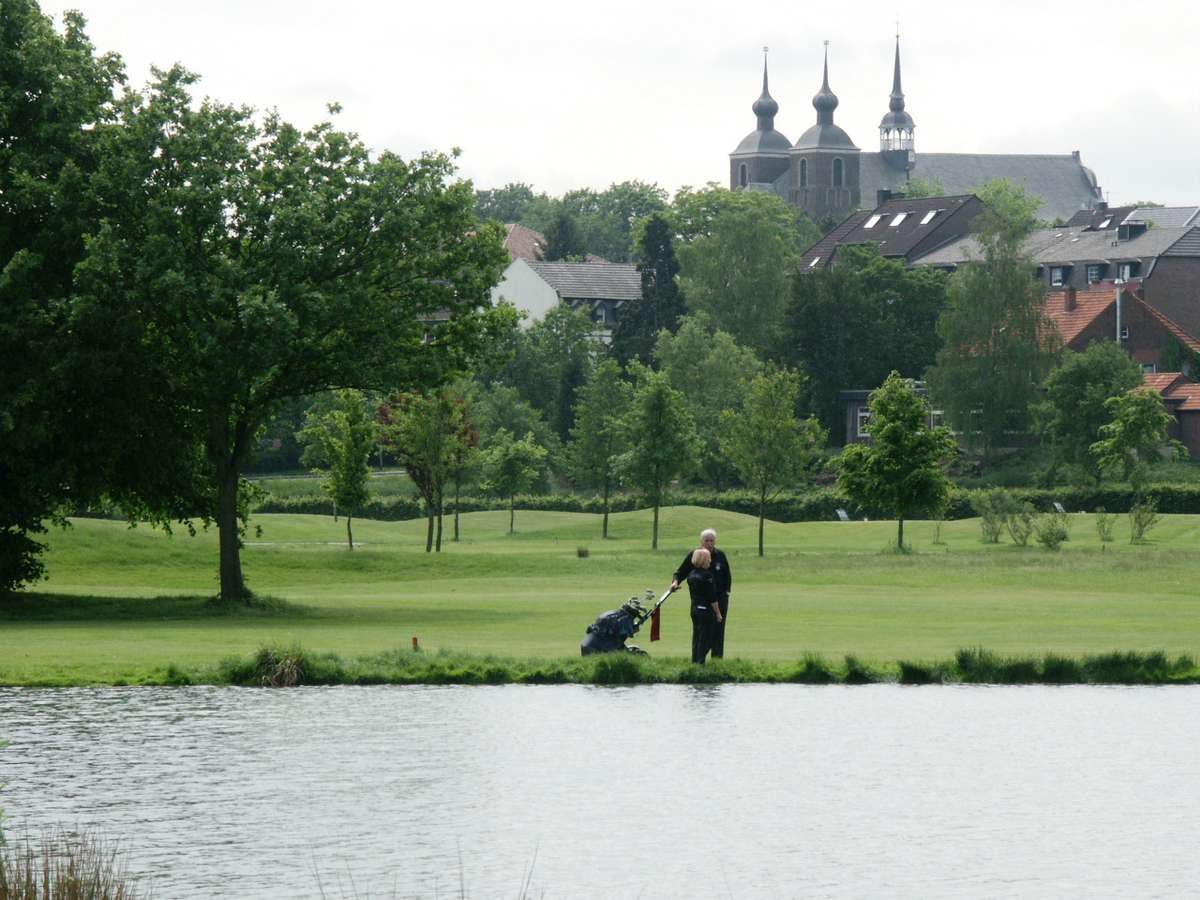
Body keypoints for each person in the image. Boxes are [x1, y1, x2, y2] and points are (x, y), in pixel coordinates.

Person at [671, 528, 732, 657]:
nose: (709, 543)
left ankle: (717, 661)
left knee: (719, 630)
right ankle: (697, 661)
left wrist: (727, 593)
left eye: (712, 540)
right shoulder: (696, 555)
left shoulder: (720, 555)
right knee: (701, 633)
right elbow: (680, 572)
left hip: (720, 599)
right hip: (702, 601)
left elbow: (727, 575)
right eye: (706, 540)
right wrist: (675, 582)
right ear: (701, 541)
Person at [684, 547, 722, 664]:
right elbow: (712, 597)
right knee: (708, 638)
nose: (710, 561)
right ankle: (700, 662)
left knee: (697, 637)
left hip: (695, 609)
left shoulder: (691, 574)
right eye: (708, 559)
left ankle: (695, 661)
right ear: (704, 560)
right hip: (705, 610)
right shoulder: (707, 576)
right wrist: (718, 613)